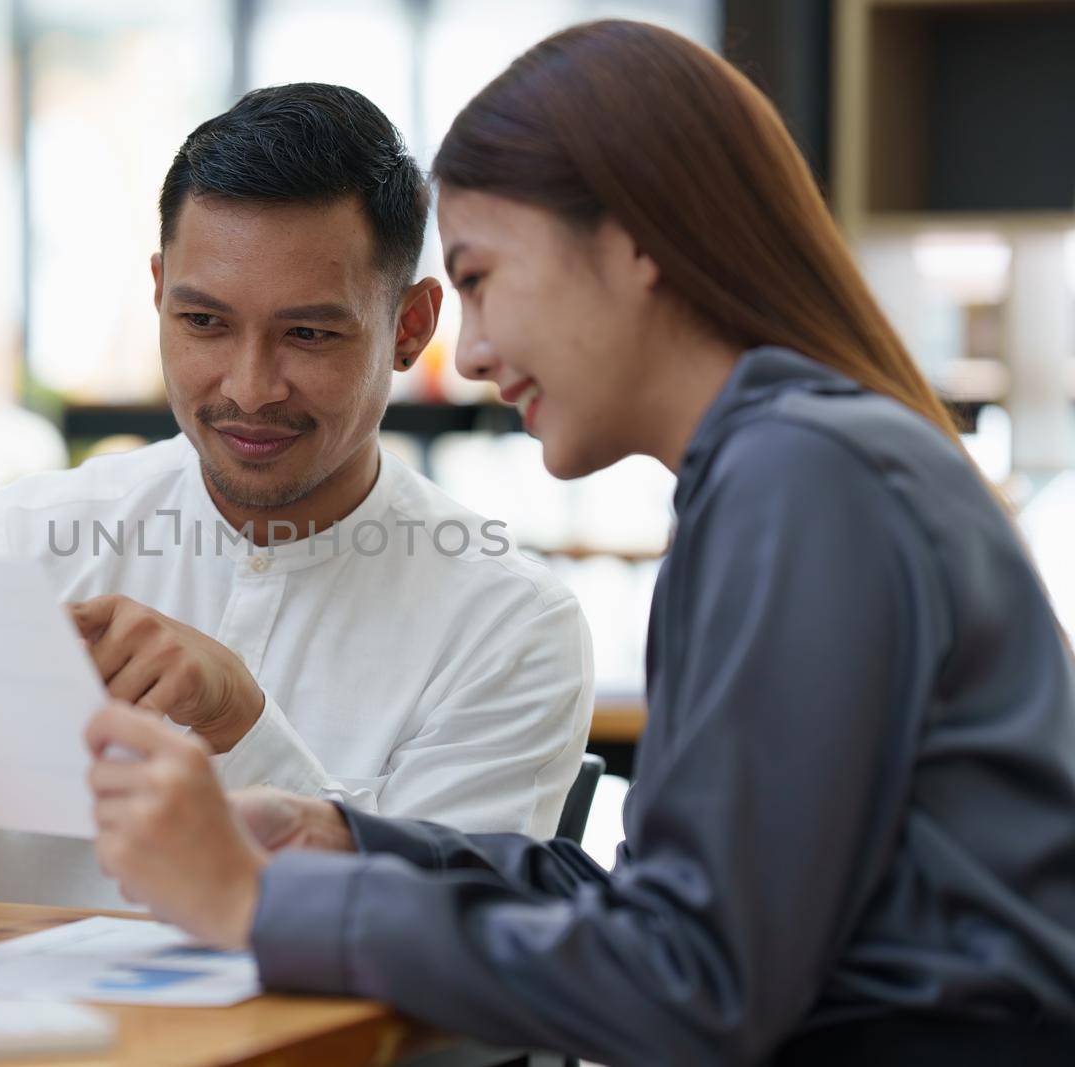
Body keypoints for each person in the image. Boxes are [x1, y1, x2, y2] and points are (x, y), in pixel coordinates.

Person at [80, 21, 1075, 1065]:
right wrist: (345, 841)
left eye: (479, 277)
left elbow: (692, 983)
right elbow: (683, 916)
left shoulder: (798, 476)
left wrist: (262, 902)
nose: (470, 353)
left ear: (630, 244)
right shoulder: (794, 461)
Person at [0, 83, 593, 910]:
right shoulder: (29, 543)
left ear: (411, 326)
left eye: (308, 335)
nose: (249, 385)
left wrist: (244, 726)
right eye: (205, 321)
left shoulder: (507, 623)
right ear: (158, 293)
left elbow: (440, 950)